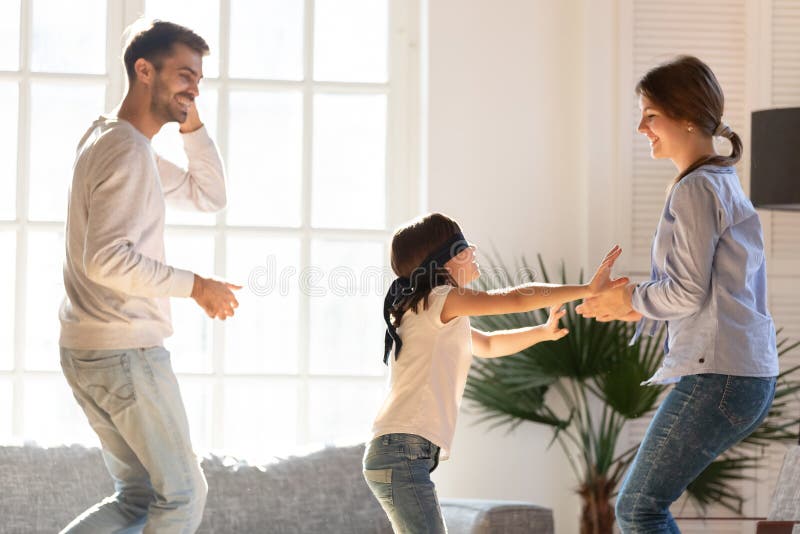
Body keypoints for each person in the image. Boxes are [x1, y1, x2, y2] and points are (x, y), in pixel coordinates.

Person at [576, 55, 779, 532]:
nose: (641, 127)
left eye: (650, 115)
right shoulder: (722, 182)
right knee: (642, 505)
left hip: (720, 376)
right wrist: (631, 309)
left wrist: (627, 300)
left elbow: (686, 292)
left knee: (637, 508)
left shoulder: (694, 189)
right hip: (744, 373)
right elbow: (713, 293)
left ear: (686, 116)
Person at [58, 19, 240, 533]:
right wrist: (196, 286)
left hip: (90, 348)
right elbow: (107, 260)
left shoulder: (110, 139)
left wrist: (189, 117)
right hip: (124, 353)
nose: (195, 88)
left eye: (199, 80)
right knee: (182, 496)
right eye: (184, 75)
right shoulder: (126, 150)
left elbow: (210, 195)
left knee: (138, 497)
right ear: (144, 70)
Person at [364, 212, 627, 533]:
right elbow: (515, 298)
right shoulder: (439, 298)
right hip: (401, 452)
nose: (472, 249)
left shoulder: (428, 309)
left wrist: (541, 333)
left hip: (398, 451)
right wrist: (586, 289)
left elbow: (487, 345)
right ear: (443, 261)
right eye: (463, 247)